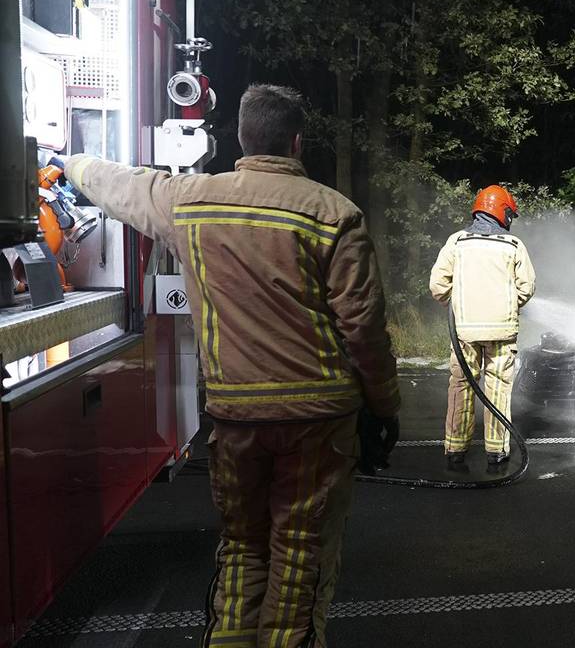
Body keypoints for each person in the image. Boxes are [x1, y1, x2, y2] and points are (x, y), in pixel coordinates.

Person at [64, 84, 400, 647]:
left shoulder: (187, 200)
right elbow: (363, 329)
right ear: (296, 141)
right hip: (317, 422)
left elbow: (117, 185)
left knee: (243, 552)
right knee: (298, 563)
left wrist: (68, 162)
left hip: (236, 419)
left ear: (241, 138)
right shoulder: (333, 214)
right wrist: (385, 406)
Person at [429, 186, 535, 466]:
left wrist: (456, 302)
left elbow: (438, 285)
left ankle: (454, 449)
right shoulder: (513, 245)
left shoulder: (457, 241)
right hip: (502, 332)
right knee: (498, 387)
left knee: (461, 385)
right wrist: (510, 305)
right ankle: (496, 450)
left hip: (464, 331)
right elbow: (527, 287)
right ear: (503, 213)